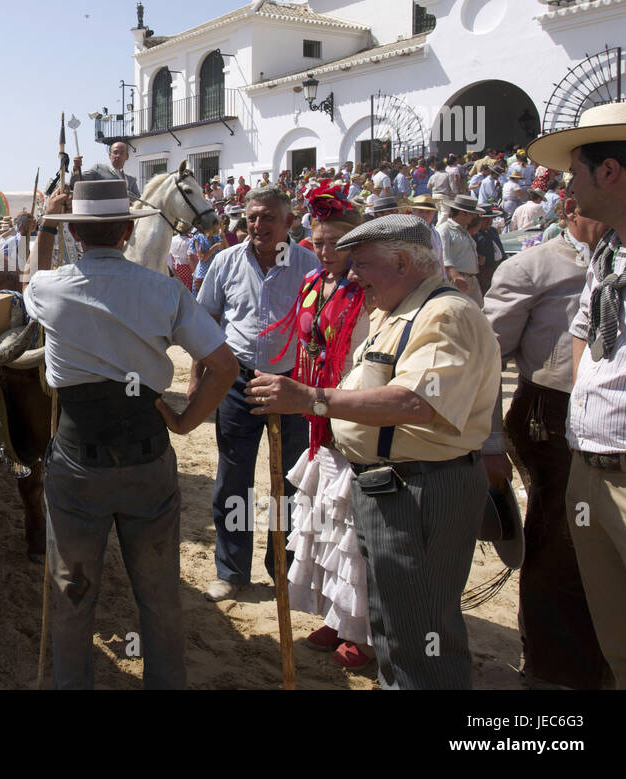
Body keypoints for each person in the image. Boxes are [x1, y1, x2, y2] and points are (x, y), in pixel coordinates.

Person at [247, 214, 501, 689]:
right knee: (394, 624)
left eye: (362, 263)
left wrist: (311, 399)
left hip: (422, 488)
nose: (354, 274)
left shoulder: (445, 314)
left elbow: (415, 401)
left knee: (420, 630)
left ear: (403, 262)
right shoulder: (399, 309)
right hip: (392, 486)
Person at [24, 179, 238, 689]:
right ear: (126, 232)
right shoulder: (165, 290)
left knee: (73, 593)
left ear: (76, 232)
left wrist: (45, 230)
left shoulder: (47, 289)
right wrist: (186, 422)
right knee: (161, 595)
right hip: (148, 457)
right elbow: (224, 366)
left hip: (77, 462)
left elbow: (33, 278)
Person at [482, 194, 609, 689]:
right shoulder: (533, 267)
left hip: (611, 420)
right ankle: (553, 671)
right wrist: (490, 443)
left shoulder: (622, 257)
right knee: (559, 544)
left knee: (604, 541)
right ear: (572, 206)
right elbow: (486, 361)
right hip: (548, 419)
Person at [528, 101, 626, 688]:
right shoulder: (611, 252)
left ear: (610, 172)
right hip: (592, 465)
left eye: (574, 171)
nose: (565, 187)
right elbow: (583, 335)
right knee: (618, 641)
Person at [262, 182, 373, 668]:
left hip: (349, 412)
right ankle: (335, 614)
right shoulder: (313, 283)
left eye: (334, 243)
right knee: (324, 518)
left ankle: (364, 631)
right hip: (316, 417)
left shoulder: (367, 294)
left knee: (351, 523)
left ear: (355, 244)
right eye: (318, 241)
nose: (323, 250)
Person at [197, 186, 319, 601]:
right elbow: (208, 319)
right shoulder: (225, 262)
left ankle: (281, 567)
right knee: (234, 478)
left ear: (289, 222)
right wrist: (200, 379)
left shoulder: (309, 265)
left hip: (291, 385)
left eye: (267, 217)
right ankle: (231, 571)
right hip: (238, 382)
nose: (257, 225)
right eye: (251, 217)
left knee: (287, 480)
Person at [436, 194, 484, 305]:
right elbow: (443, 256)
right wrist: (455, 276)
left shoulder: (463, 231)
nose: (473, 217)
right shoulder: (444, 230)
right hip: (457, 280)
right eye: (472, 214)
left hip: (470, 279)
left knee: (477, 314)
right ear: (463, 213)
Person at [74, 141, 141, 200]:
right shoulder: (98, 169)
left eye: (121, 153)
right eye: (115, 152)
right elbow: (78, 183)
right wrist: (76, 168)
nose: (118, 155)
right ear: (109, 156)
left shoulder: (131, 180)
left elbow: (139, 202)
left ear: (127, 156)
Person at [473, 206, 507, 298]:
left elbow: (499, 246)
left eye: (490, 218)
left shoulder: (493, 231)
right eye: (485, 219)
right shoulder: (475, 234)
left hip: (498, 267)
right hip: (485, 270)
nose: (489, 221)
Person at [188, 215, 226, 294]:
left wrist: (224, 238)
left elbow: (227, 250)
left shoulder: (216, 237)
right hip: (203, 275)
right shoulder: (199, 238)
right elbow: (202, 258)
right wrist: (214, 247)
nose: (219, 227)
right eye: (217, 225)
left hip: (215, 273)